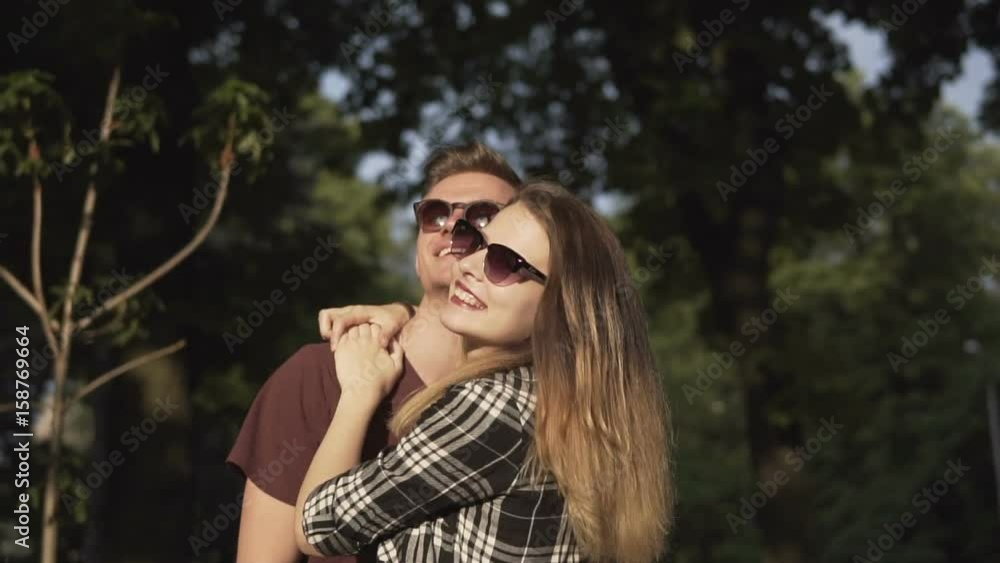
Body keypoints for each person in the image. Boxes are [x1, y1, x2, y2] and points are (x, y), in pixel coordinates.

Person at [293, 180, 674, 562]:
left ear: (559, 308)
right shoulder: (572, 411)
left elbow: (319, 526)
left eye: (504, 263)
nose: (468, 264)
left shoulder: (495, 405)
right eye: (476, 242)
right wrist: (402, 313)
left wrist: (358, 394)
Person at [226, 141, 523, 563]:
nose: (453, 225)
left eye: (483, 215)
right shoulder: (318, 375)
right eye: (435, 214)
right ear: (417, 254)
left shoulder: (535, 403)